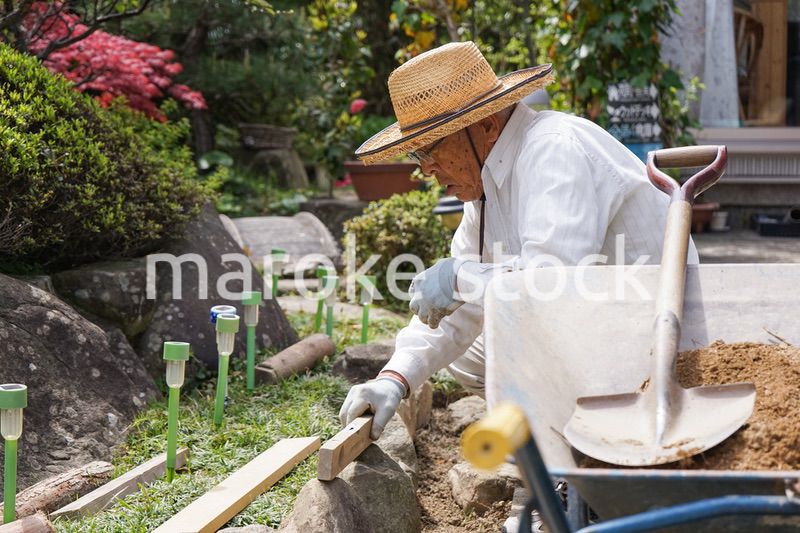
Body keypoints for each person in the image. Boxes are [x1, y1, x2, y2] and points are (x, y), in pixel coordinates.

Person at [340, 41, 699, 440]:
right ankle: (564, 436)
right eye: (417, 157)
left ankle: (582, 442)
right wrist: (394, 378)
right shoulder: (484, 184)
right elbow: (456, 311)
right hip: (598, 326)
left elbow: (552, 288)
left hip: (656, 333)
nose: (426, 171)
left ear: (487, 127)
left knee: (509, 352)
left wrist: (460, 277)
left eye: (430, 150)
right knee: (472, 359)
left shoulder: (553, 150)